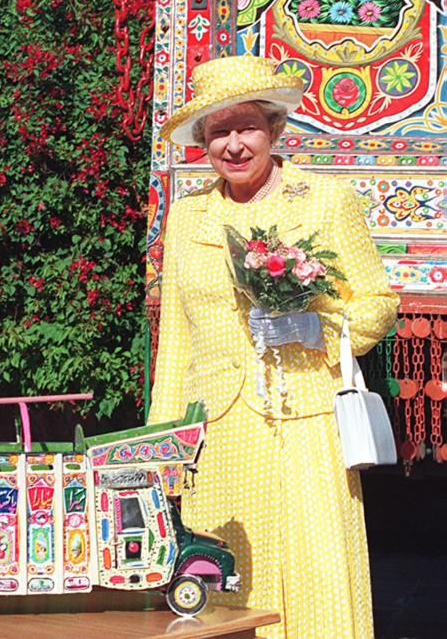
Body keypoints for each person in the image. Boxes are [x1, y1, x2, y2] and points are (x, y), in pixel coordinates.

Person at [149, 55, 397, 638]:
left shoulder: (323, 200)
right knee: (225, 575)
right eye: (218, 132)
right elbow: (176, 341)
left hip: (304, 421)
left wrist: (320, 329)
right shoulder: (188, 218)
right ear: (203, 142)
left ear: (274, 129)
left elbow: (377, 304)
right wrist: (164, 442)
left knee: (314, 572)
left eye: (246, 127)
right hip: (220, 429)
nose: (233, 144)